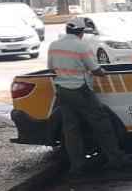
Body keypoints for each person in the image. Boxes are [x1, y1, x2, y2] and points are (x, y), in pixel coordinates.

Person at [47, 18, 126, 174]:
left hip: (62, 90)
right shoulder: (81, 46)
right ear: (81, 32)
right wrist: (103, 73)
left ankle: (77, 165)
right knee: (101, 122)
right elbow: (95, 69)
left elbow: (51, 68)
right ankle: (115, 158)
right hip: (80, 90)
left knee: (71, 128)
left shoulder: (54, 45)